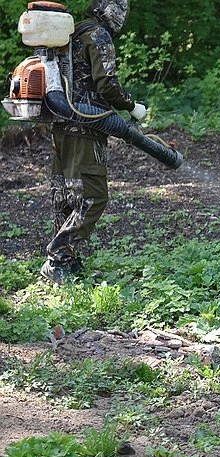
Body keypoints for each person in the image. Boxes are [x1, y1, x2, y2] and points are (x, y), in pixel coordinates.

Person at [40, 0, 147, 284]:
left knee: (66, 195)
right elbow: (106, 84)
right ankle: (58, 257)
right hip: (86, 127)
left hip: (61, 124)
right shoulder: (98, 35)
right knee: (93, 196)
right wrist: (132, 106)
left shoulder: (72, 32)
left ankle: (66, 261)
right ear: (114, 12)